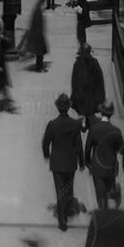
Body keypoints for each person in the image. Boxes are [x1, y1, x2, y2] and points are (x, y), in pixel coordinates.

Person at [42, 93, 84, 231]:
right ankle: (67, 212)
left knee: (60, 191)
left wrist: (47, 155)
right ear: (68, 107)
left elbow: (45, 142)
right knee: (69, 189)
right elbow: (79, 145)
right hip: (71, 163)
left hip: (57, 164)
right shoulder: (75, 124)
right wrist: (82, 162)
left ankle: (61, 220)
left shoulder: (52, 125)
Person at [84, 102, 123, 209]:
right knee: (110, 188)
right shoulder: (116, 130)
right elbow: (120, 148)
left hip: (97, 167)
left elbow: (87, 149)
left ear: (101, 113)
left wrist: (88, 164)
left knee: (100, 195)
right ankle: (114, 197)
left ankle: (103, 215)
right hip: (111, 166)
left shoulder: (94, 129)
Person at [70, 43, 105, 126]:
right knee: (89, 111)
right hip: (89, 94)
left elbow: (74, 81)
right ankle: (88, 123)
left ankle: (84, 124)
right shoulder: (93, 63)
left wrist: (74, 95)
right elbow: (100, 80)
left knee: (84, 111)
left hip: (84, 94)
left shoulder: (78, 64)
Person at [21, 0, 48, 73]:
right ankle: (39, 68)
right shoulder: (38, 11)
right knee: (40, 52)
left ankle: (39, 67)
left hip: (37, 33)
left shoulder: (37, 9)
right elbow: (37, 24)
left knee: (40, 52)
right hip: (38, 34)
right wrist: (40, 35)